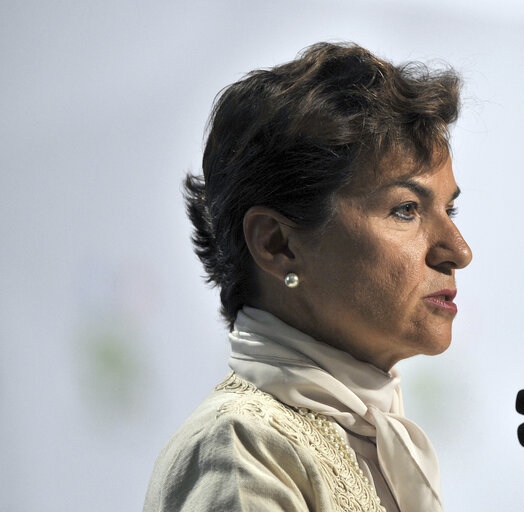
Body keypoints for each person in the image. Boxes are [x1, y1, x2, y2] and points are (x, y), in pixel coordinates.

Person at [144, 42, 472, 512]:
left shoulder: (372, 440)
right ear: (278, 243)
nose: (459, 252)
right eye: (406, 210)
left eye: (450, 208)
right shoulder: (242, 447)